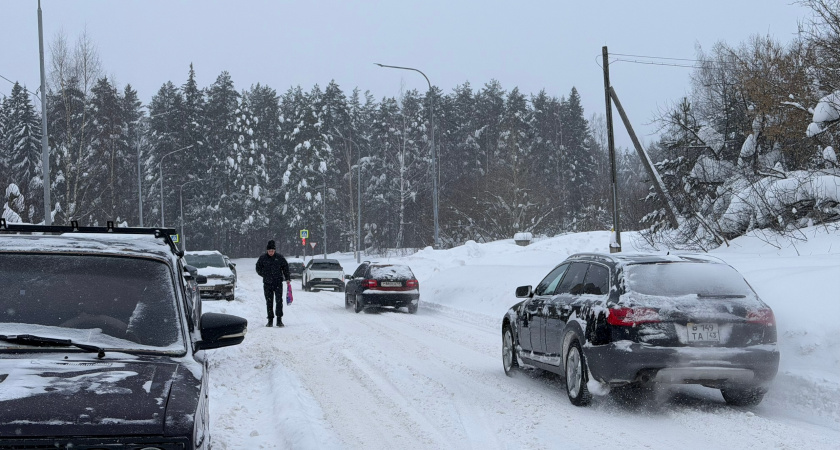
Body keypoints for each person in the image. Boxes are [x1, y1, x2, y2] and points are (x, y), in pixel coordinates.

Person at [256, 240, 291, 327]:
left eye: (272, 251)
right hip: (267, 283)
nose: (271, 252)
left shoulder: (279, 258)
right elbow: (258, 268)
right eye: (269, 251)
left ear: (275, 250)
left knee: (279, 301)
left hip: (278, 282)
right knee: (269, 301)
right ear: (267, 251)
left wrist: (287, 278)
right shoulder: (262, 258)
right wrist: (264, 275)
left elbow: (285, 268)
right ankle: (270, 320)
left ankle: (279, 320)